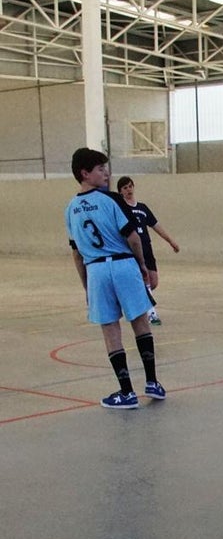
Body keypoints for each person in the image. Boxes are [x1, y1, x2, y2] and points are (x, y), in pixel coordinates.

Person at [66, 149, 166, 409]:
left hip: (96, 269)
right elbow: (133, 237)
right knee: (140, 321)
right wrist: (143, 264)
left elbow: (77, 254)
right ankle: (152, 381)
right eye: (100, 169)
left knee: (110, 329)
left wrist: (86, 285)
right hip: (123, 263)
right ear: (84, 173)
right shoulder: (112, 200)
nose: (106, 172)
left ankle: (126, 392)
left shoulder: (71, 209)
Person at [116, 176, 179, 325]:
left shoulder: (142, 208)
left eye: (130, 186)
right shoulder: (120, 209)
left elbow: (155, 225)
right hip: (132, 250)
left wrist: (170, 241)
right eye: (125, 188)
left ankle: (136, 301)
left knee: (153, 281)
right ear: (120, 192)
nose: (129, 189)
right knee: (145, 280)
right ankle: (151, 314)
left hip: (147, 248)